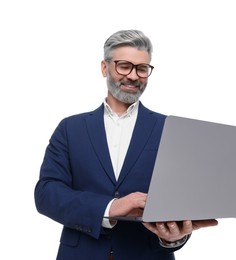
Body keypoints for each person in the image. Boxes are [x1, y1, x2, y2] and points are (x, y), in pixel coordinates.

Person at [34, 29, 218, 260]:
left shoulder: (170, 129)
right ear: (105, 67)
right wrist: (111, 207)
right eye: (124, 66)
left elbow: (182, 199)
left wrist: (174, 238)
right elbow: (47, 194)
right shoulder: (70, 128)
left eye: (142, 68)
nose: (133, 76)